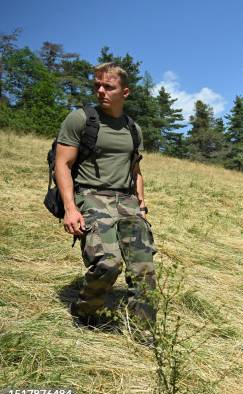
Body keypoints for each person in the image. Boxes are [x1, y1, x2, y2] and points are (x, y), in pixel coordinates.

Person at [55, 62, 157, 330]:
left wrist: (142, 204)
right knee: (108, 263)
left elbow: (136, 171)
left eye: (108, 86)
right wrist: (70, 208)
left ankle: (144, 332)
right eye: (97, 85)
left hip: (127, 201)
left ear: (125, 92)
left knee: (144, 269)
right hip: (91, 196)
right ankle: (85, 312)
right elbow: (62, 165)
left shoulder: (133, 129)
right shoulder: (81, 119)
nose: (100, 91)